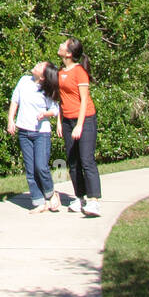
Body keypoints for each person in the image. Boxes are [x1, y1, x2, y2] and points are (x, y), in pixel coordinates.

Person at [56, 36, 101, 216]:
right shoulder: (60, 72)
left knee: (86, 160)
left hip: (85, 119)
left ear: (69, 53)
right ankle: (79, 197)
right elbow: (60, 100)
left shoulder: (79, 72)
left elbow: (84, 101)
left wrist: (79, 125)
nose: (59, 45)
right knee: (73, 161)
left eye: (63, 44)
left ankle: (94, 200)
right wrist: (60, 121)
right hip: (67, 120)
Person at [7, 61, 60, 212]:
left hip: (41, 133)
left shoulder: (46, 90)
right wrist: (11, 119)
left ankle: (51, 194)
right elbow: (15, 100)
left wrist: (45, 114)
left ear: (43, 77)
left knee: (41, 167)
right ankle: (39, 203)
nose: (36, 65)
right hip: (24, 131)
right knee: (30, 170)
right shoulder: (24, 80)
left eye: (39, 66)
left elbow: (55, 110)